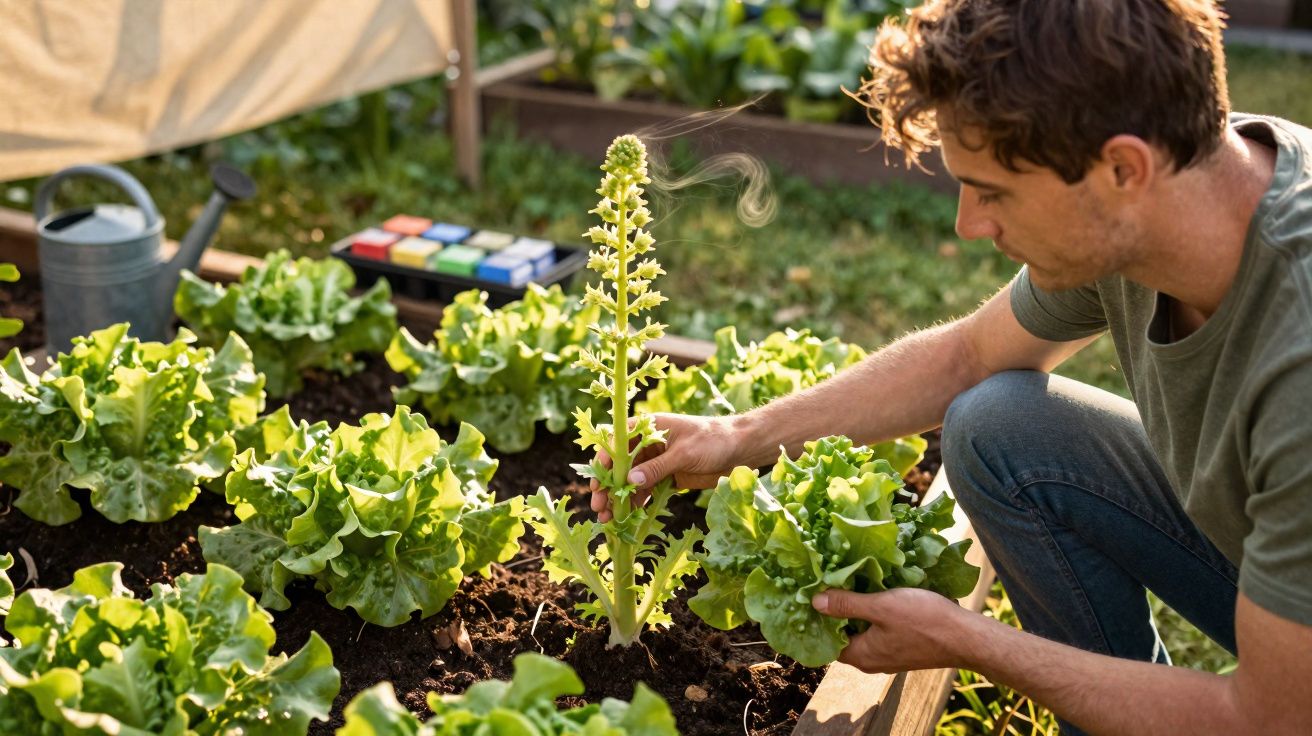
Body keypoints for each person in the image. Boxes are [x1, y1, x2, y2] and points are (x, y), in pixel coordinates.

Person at [589, 0, 1312, 733]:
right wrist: (737, 434)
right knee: (1001, 427)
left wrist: (968, 641)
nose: (969, 225)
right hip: (1265, 561)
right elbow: (967, 356)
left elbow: (1272, 721)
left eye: (993, 191)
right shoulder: (1170, 193)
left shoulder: (1300, 358)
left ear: (1123, 167)